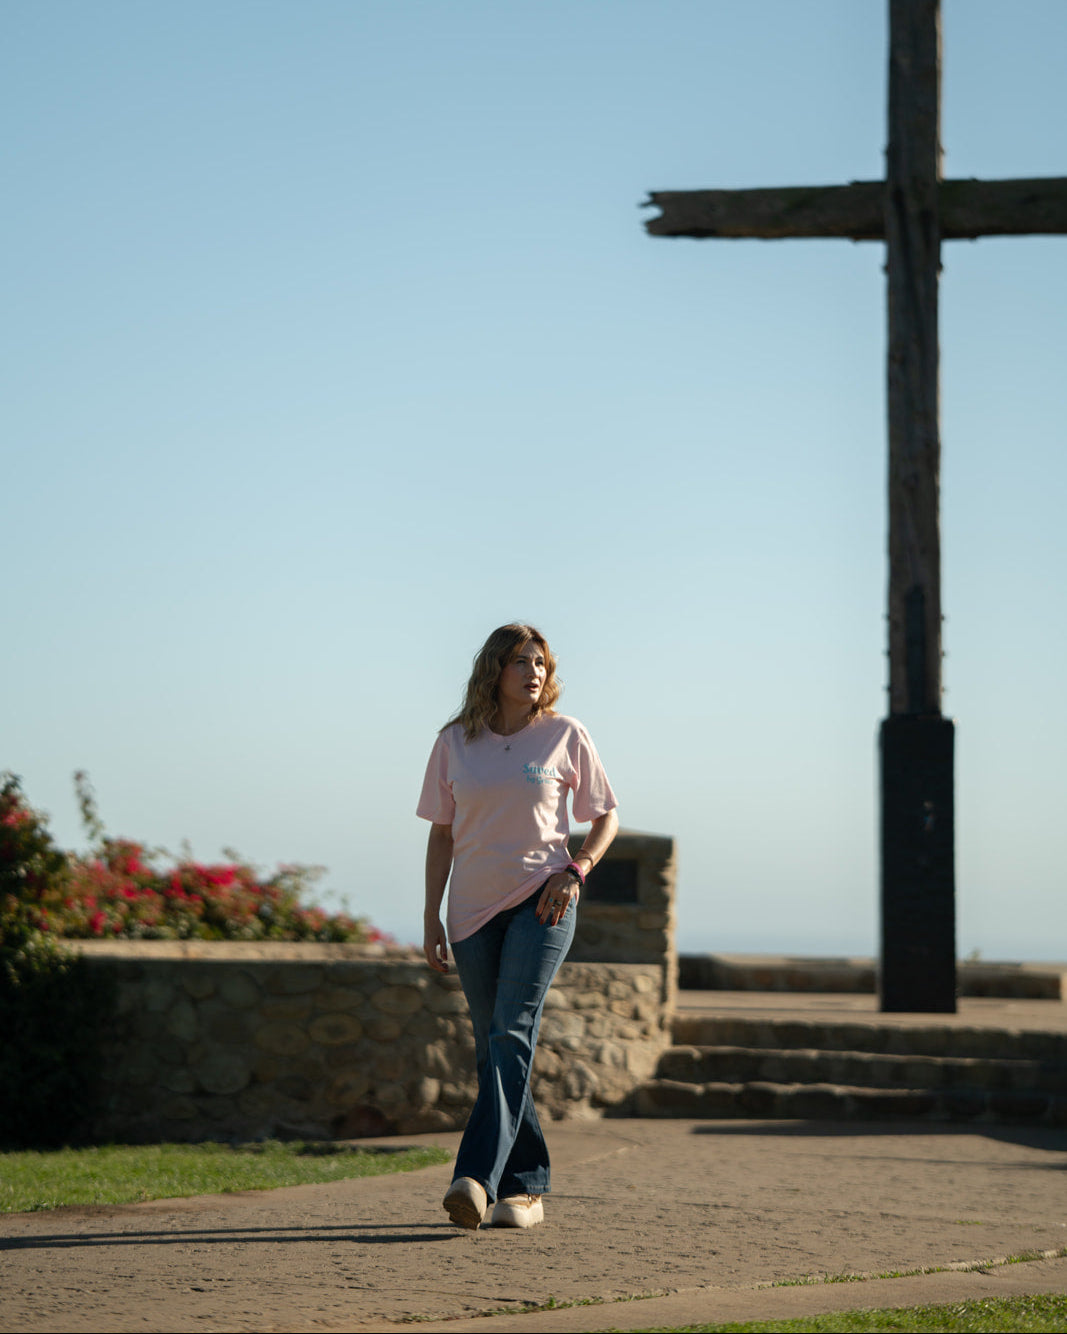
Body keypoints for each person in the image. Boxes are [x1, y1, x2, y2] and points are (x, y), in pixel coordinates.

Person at [417, 623, 618, 1230]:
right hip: (471, 911)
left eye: (541, 663)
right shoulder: (456, 742)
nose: (533, 673)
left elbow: (605, 815)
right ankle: (525, 1188)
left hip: (544, 900)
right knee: (496, 1046)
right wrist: (432, 914)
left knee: (510, 1032)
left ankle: (474, 1177)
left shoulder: (565, 735)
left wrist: (577, 869)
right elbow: (442, 833)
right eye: (520, 663)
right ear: (493, 671)